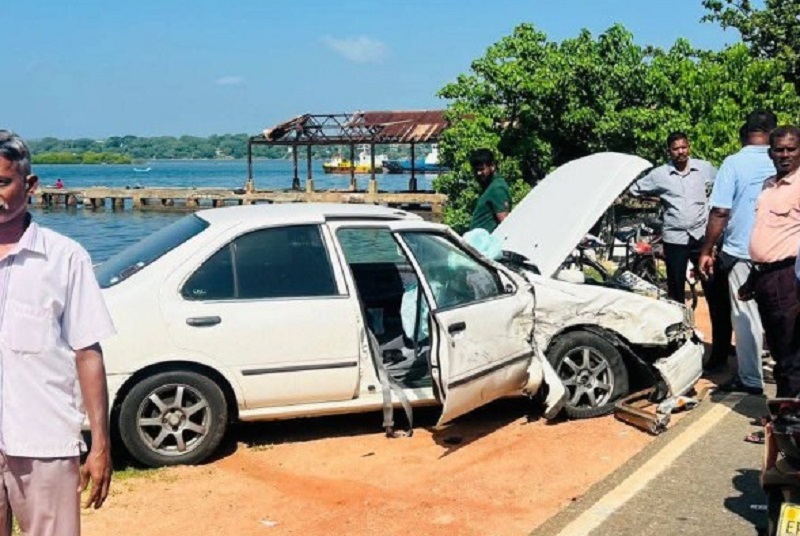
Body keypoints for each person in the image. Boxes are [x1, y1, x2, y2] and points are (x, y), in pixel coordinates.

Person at [0, 130, 115, 534]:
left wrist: (99, 443)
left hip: (43, 440)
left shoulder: (65, 258)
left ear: (29, 185)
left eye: (3, 182)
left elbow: (88, 352)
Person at [628, 132, 728, 368]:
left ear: (689, 147)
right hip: (675, 239)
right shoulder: (660, 175)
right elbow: (634, 190)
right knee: (675, 294)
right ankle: (679, 348)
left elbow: (723, 184)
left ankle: (722, 351)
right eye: (676, 149)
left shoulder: (704, 169)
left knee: (714, 290)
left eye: (684, 147)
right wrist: (657, 199)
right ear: (669, 152)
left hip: (702, 237)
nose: (681, 152)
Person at [699, 111, 778, 395]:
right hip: (781, 253)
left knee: (746, 316)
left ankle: (751, 379)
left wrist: (707, 249)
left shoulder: (733, 163)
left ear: (745, 134)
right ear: (772, 131)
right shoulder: (785, 160)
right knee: (780, 312)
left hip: (742, 253)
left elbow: (720, 210)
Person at [739, 126, 800, 398]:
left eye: (791, 149)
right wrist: (754, 278)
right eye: (779, 150)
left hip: (789, 278)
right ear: (770, 153)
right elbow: (766, 233)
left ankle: (788, 427)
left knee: (791, 355)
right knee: (777, 351)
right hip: (766, 277)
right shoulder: (769, 185)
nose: (785, 155)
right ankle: (782, 421)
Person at [468, 148, 511, 233]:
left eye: (481, 169)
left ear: (492, 166)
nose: (478, 173)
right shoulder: (489, 187)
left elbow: (505, 223)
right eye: (476, 170)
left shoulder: (497, 188)